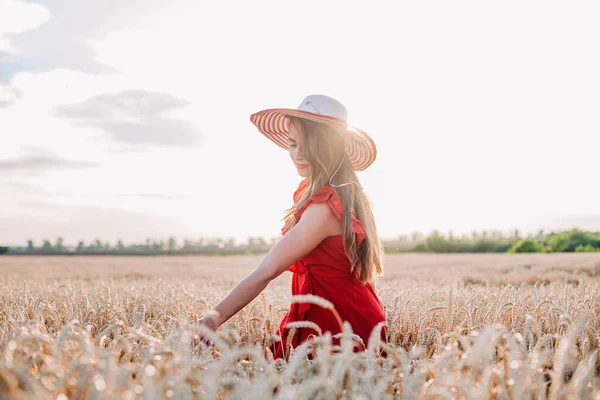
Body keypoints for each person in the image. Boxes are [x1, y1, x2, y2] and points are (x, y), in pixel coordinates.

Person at [195, 94, 387, 361]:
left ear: (331, 147)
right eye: (293, 144)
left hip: (337, 328)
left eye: (309, 145)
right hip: (337, 318)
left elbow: (267, 270)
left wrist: (212, 318)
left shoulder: (324, 207)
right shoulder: (343, 193)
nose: (297, 154)